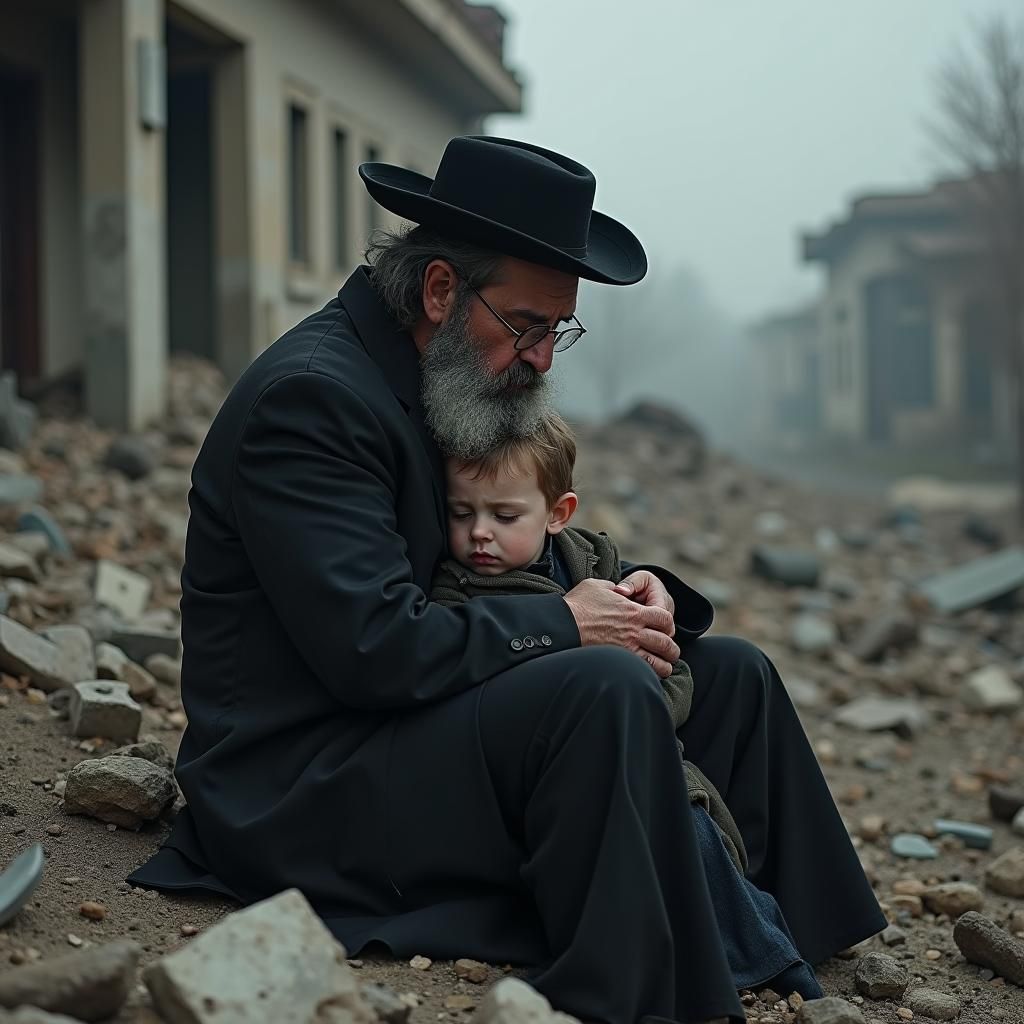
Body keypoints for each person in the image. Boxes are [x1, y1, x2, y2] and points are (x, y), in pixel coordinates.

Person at [128, 136, 885, 1024]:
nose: (542, 358)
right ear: (441, 289)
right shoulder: (313, 400)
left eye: (557, 330)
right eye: (527, 326)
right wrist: (568, 629)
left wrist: (634, 592)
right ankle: (639, 981)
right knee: (602, 687)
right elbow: (374, 650)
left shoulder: (441, 371)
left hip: (407, 721)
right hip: (305, 780)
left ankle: (790, 942)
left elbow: (511, 545)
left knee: (729, 673)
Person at [432, 411, 824, 1001]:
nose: (479, 533)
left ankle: (805, 919)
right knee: (682, 816)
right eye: (461, 514)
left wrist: (650, 626)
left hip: (635, 728)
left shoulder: (588, 561)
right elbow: (473, 669)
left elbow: (664, 662)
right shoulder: (458, 589)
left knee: (743, 667)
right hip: (543, 761)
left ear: (558, 514)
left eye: (504, 516)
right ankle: (757, 959)